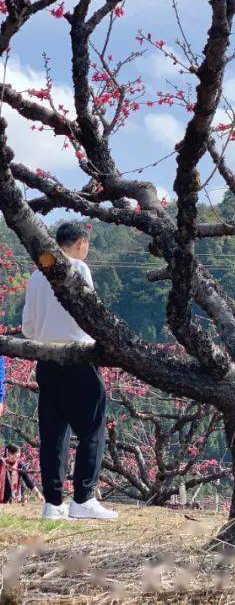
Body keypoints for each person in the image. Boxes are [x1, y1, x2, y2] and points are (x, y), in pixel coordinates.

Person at [21, 221, 116, 521]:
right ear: (79, 242)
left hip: (47, 359)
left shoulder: (36, 275)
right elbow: (89, 312)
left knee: (53, 433)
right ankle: (84, 498)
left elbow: (28, 327)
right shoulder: (77, 267)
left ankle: (52, 503)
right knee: (93, 428)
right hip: (77, 356)